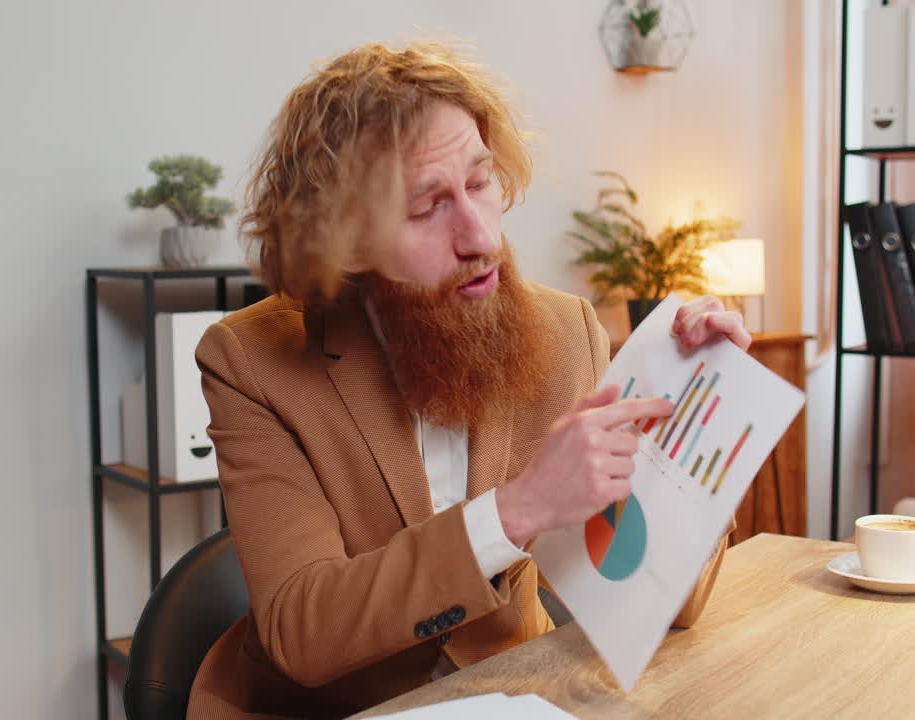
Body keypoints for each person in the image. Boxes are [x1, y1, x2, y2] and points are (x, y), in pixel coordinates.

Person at [186, 41, 752, 720]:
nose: (480, 235)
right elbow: (302, 634)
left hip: (518, 697)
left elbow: (667, 601)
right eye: (427, 208)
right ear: (344, 238)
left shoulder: (566, 327)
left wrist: (689, 401)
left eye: (481, 182)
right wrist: (518, 512)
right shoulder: (249, 361)